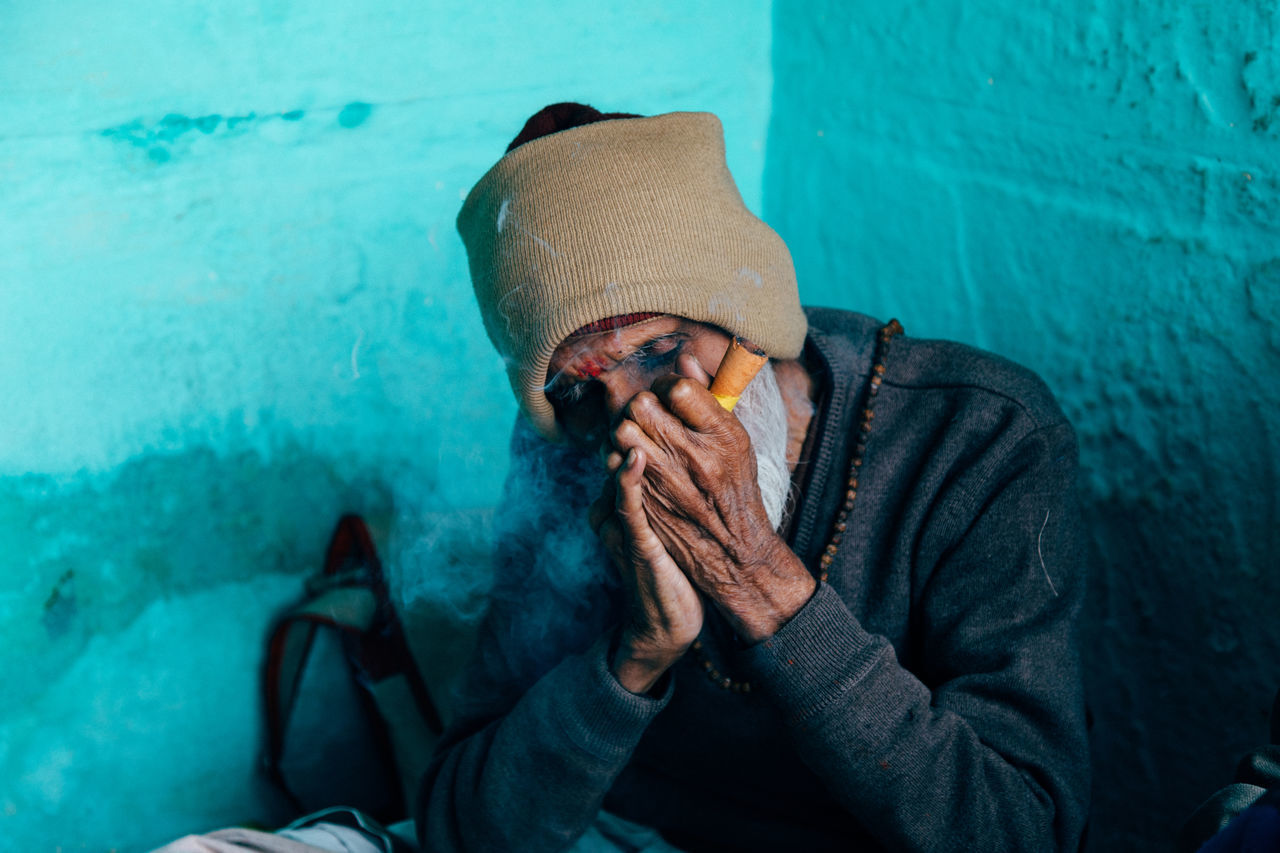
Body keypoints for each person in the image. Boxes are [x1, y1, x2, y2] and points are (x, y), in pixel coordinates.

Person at [417, 103, 1091, 852]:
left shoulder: (980, 438)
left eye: (658, 348)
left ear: (749, 319)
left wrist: (754, 573)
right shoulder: (565, 451)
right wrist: (637, 652)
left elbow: (1020, 833)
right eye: (576, 390)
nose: (630, 419)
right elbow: (461, 829)